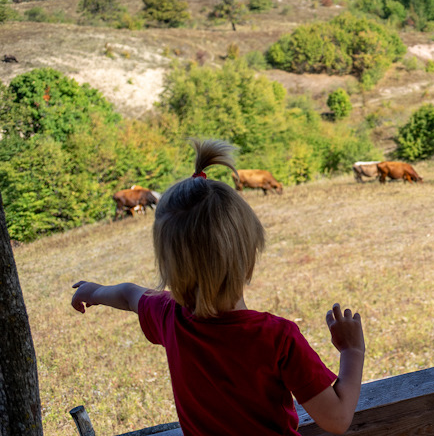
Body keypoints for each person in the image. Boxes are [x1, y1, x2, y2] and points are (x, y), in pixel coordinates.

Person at [71, 139, 365, 436]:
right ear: (248, 256)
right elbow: (336, 419)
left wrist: (93, 291)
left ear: (169, 264)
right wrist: (352, 350)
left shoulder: (168, 316)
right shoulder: (277, 338)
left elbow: (128, 294)